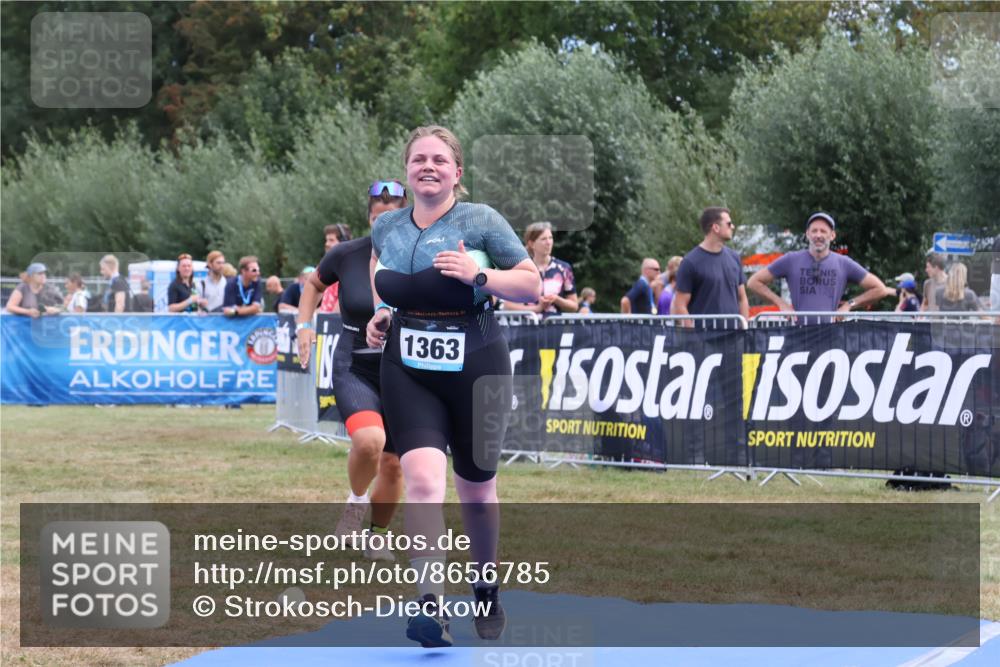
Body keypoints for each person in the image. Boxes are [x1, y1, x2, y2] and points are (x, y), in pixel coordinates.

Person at [365, 126, 541, 647]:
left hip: (478, 365)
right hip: (408, 367)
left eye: (440, 160)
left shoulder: (481, 221)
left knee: (477, 487)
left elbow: (532, 285)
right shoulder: (387, 227)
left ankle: (485, 587)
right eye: (418, 159)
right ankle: (431, 605)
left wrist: (477, 276)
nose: (428, 167)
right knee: (420, 480)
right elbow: (381, 268)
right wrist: (381, 311)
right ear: (406, 172)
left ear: (457, 173)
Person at [297, 180, 409, 563]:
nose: (385, 224)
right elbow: (313, 285)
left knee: (394, 464)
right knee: (369, 443)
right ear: (368, 218)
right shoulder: (346, 254)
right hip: (354, 364)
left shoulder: (420, 255)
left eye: (393, 216)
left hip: (406, 371)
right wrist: (303, 326)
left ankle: (378, 535)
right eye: (378, 216)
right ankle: (356, 501)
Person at [745, 212, 892, 323]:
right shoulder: (791, 260)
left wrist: (849, 305)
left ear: (832, 235)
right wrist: (781, 304)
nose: (818, 235)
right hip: (799, 335)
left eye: (823, 231)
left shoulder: (843, 263)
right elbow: (753, 282)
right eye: (814, 231)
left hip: (831, 336)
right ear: (807, 234)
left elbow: (880, 289)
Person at [672, 208, 749, 321]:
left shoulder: (734, 257)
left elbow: (742, 298)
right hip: (703, 337)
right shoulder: (690, 262)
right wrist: (693, 335)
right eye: (728, 223)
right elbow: (680, 305)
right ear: (716, 227)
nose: (732, 226)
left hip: (734, 336)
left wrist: (744, 329)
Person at [502, 221, 577, 315]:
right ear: (531, 244)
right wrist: (537, 308)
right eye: (543, 239)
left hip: (555, 327)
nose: (549, 242)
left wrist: (557, 299)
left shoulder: (564, 268)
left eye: (550, 238)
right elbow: (508, 306)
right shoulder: (521, 268)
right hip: (527, 327)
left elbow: (574, 306)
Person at [319, 224, 352, 314]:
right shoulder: (330, 269)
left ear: (343, 242)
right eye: (326, 240)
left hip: (335, 324)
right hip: (326, 322)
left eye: (331, 240)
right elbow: (326, 307)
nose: (327, 244)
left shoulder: (349, 270)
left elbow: (338, 311)